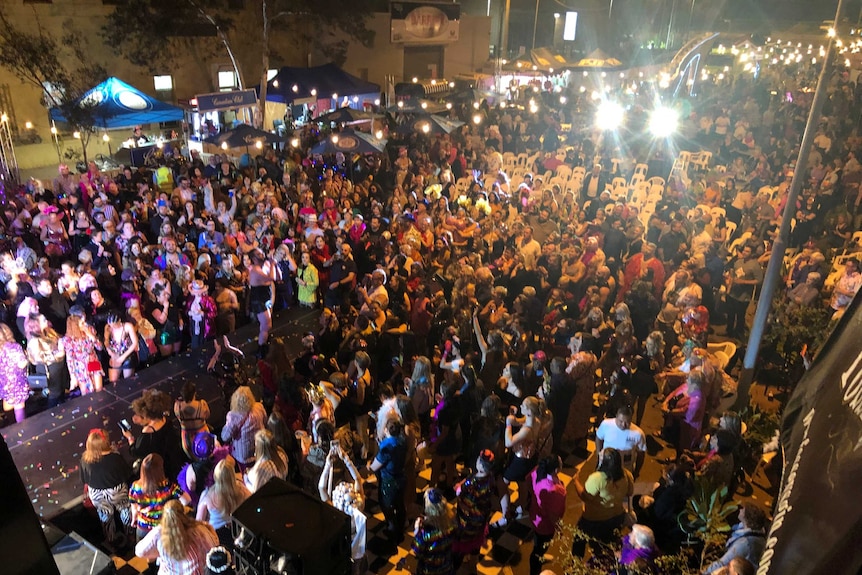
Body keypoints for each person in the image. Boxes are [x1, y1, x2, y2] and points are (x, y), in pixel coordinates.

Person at [572, 447, 634, 558]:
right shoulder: (627, 475)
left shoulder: (597, 479)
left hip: (593, 520)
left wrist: (576, 481)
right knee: (605, 545)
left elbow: (585, 497)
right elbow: (629, 493)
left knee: (579, 541)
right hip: (616, 517)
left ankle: (575, 565)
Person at [318, 441, 367, 575]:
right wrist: (346, 459)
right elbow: (358, 479)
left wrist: (328, 464)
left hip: (340, 547)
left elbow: (321, 487)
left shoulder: (334, 511)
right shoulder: (359, 505)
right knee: (356, 567)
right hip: (356, 547)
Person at [80, 429, 133, 548]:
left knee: (105, 515)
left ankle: (111, 538)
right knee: (125, 509)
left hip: (97, 494)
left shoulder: (85, 460)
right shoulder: (115, 458)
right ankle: (130, 534)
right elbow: (127, 473)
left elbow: (84, 480)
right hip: (117, 491)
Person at [135, 499, 218, 574]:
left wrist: (159, 552)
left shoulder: (158, 533)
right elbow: (214, 546)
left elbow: (139, 551)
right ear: (183, 513)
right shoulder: (199, 529)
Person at [122, 389, 186, 480]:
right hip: (173, 461)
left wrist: (130, 438)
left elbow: (135, 452)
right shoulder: (165, 420)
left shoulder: (148, 433)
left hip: (158, 469)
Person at [129, 453, 190, 541]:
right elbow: (186, 500)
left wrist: (134, 520)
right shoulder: (168, 486)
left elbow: (134, 510)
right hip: (163, 529)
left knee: (143, 554)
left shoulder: (135, 487)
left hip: (143, 529)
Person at [452, 449, 495, 571]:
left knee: (460, 547)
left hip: (467, 522)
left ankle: (454, 568)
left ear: (480, 464)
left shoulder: (472, 483)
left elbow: (466, 503)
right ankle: (472, 567)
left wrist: (458, 491)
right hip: (481, 519)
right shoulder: (490, 478)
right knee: (476, 543)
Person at [369, 419, 407, 551]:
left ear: (386, 430)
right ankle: (400, 532)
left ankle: (392, 537)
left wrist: (369, 466)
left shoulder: (387, 447)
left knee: (387, 507)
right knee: (400, 505)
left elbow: (375, 467)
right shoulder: (403, 441)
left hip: (389, 481)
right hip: (401, 478)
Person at [197, 455, 251, 545]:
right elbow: (252, 501)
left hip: (217, 538)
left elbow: (199, 523)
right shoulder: (241, 490)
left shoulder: (207, 496)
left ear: (215, 476)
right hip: (237, 535)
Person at [528, 455, 567, 575]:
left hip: (536, 517)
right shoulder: (554, 491)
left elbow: (527, 480)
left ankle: (539, 556)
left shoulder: (537, 470)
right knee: (540, 547)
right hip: (545, 526)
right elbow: (552, 515)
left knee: (538, 543)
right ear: (556, 470)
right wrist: (559, 528)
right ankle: (536, 567)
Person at [704, 503, 769, 573]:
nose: (740, 510)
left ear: (746, 518)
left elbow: (722, 563)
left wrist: (704, 573)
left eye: (743, 510)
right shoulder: (756, 531)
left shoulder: (745, 544)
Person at [25, 314, 68, 408]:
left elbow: (59, 338)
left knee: (61, 393)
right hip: (49, 373)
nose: (46, 320)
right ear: (36, 324)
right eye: (43, 320)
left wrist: (62, 342)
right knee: (54, 397)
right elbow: (35, 359)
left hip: (59, 370)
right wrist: (57, 353)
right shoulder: (34, 341)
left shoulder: (48, 331)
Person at [220, 386, 267, 471]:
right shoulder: (259, 407)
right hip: (260, 448)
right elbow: (265, 421)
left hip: (244, 455)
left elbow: (225, 437)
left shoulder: (233, 417)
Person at [413, 488, 456, 575]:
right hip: (447, 566)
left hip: (429, 569)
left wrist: (417, 530)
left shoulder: (425, 533)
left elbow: (417, 551)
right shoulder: (452, 524)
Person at [595, 406, 646, 478]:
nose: (623, 425)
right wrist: (598, 454)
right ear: (616, 417)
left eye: (627, 422)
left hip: (625, 470)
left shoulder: (638, 434)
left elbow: (641, 454)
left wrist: (637, 471)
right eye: (621, 421)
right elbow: (598, 438)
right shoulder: (606, 424)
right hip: (605, 467)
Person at [62, 311, 104, 395]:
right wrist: (73, 376)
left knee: (99, 390)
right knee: (87, 394)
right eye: (82, 323)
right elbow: (70, 359)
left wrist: (91, 336)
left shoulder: (90, 329)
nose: (84, 324)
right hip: (81, 367)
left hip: (93, 361)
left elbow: (100, 347)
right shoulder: (68, 339)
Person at [248, 248, 276, 358]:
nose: (262, 254)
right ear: (254, 258)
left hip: (262, 300)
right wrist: (272, 264)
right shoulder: (255, 270)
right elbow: (272, 278)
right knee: (266, 325)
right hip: (258, 301)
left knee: (265, 325)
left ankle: (263, 344)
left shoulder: (259, 268)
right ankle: (261, 350)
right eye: (259, 254)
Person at [0, 322, 30, 423]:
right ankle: (21, 430)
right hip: (16, 382)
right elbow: (22, 363)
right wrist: (26, 356)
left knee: (7, 404)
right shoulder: (13, 347)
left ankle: (11, 428)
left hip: (4, 383)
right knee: (19, 406)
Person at [174, 381, 211, 460]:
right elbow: (207, 415)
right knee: (207, 459)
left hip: (187, 438)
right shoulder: (202, 404)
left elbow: (178, 417)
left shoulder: (177, 406)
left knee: (196, 462)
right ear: (194, 393)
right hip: (202, 435)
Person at [104, 312, 139, 384]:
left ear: (119, 321)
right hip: (115, 356)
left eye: (114, 325)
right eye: (110, 325)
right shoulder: (108, 328)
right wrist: (110, 352)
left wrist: (123, 357)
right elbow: (106, 342)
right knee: (113, 382)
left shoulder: (128, 326)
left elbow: (135, 343)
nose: (112, 327)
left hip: (127, 356)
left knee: (128, 382)